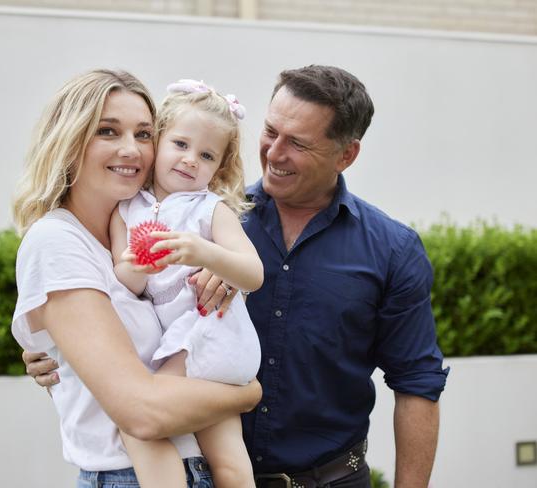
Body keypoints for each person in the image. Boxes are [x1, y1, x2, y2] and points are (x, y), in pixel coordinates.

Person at [25, 65, 449, 488]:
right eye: (270, 132)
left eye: (298, 143)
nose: (275, 153)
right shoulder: (205, 215)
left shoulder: (390, 248)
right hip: (205, 469)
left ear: (346, 155)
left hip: (330, 479)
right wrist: (59, 351)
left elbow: (417, 383)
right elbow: (113, 316)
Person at [11, 68, 261, 488]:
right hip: (131, 475)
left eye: (143, 134)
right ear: (70, 141)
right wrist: (248, 394)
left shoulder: (149, 222)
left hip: (195, 466)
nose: (132, 149)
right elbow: (140, 412)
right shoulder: (57, 241)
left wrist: (218, 267)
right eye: (108, 131)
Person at [111, 79, 262, 488]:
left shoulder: (210, 209)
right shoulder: (127, 210)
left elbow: (253, 273)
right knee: (230, 462)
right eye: (180, 144)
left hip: (209, 335)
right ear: (156, 143)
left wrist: (202, 252)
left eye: (207, 155)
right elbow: (126, 283)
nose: (191, 159)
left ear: (219, 168)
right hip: (188, 347)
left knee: (139, 418)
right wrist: (139, 264)